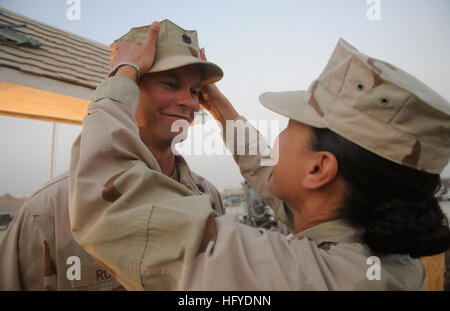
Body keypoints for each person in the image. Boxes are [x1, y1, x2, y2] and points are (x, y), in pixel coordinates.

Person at [68, 24, 450, 290]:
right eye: (171, 85)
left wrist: (122, 76)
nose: (276, 141)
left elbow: (114, 206)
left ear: (319, 169)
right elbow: (270, 175)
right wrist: (223, 111)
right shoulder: (389, 260)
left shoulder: (299, 275)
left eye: (287, 128)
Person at [0, 19, 232, 290]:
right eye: (170, 84)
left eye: (195, 91)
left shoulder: (208, 196)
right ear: (129, 90)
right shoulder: (50, 210)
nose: (189, 101)